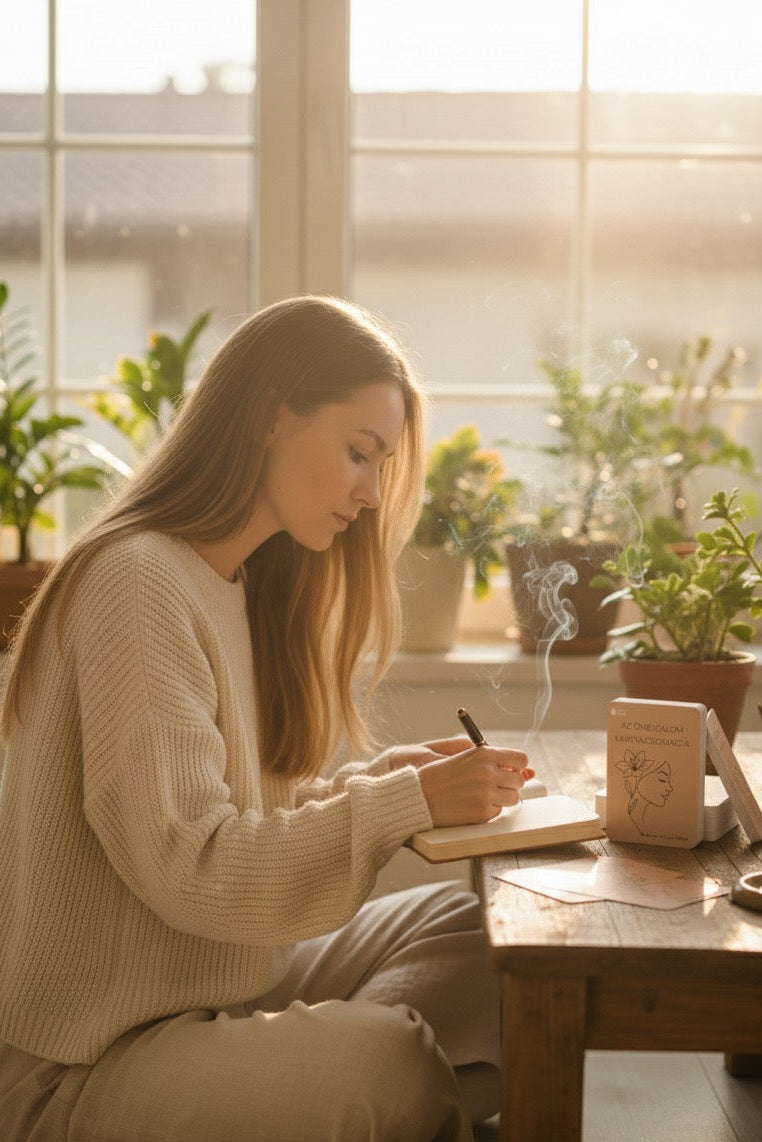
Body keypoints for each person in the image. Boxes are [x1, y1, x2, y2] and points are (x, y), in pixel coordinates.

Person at [0, 295, 533, 1142]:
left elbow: (240, 815)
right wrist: (402, 805)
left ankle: (339, 1091)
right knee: (387, 1060)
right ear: (270, 415)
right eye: (359, 452)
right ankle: (367, 1083)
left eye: (381, 464)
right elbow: (194, 865)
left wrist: (385, 784)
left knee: (487, 939)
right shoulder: (138, 582)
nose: (371, 493)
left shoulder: (237, 582)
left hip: (218, 988)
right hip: (90, 1059)